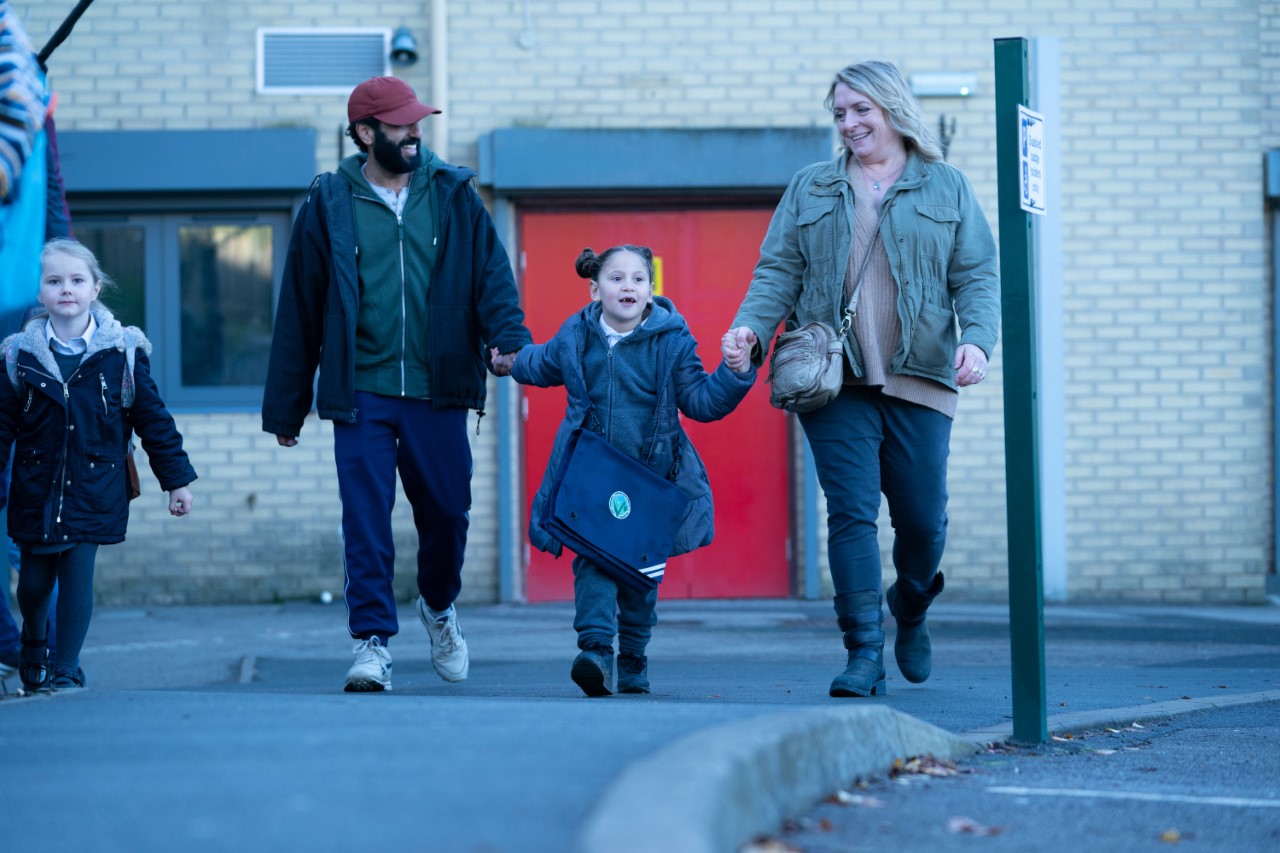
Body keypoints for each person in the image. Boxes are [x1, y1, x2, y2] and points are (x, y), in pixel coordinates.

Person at [726, 60, 999, 698]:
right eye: (840, 113)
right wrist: (750, 331)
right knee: (850, 515)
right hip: (833, 379)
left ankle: (911, 605)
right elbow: (777, 271)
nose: (848, 124)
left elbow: (978, 277)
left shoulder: (946, 186)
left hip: (922, 375)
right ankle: (862, 654)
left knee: (924, 523)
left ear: (893, 109)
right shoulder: (812, 187)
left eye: (860, 111)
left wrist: (979, 343)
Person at [262, 76, 532, 693]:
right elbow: (300, 307)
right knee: (365, 518)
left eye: (417, 121)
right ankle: (372, 643)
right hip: (362, 390)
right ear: (364, 133)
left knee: (447, 515)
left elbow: (492, 277)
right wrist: (286, 407)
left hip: (439, 388)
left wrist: (507, 341)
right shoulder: (330, 202)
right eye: (400, 124)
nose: (415, 131)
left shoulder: (455, 192)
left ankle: (438, 607)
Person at [507, 245, 755, 696]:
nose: (628, 286)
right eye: (616, 278)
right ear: (595, 288)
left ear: (650, 291)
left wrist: (735, 372)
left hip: (649, 477)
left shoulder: (673, 341)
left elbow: (701, 400)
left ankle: (634, 655)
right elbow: (540, 363)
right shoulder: (576, 336)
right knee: (593, 560)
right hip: (592, 474)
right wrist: (508, 361)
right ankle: (596, 652)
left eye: (638, 279)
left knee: (640, 573)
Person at [0, 238, 197, 691]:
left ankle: (65, 667)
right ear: (41, 293)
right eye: (54, 281)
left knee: (76, 577)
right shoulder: (19, 355)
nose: (65, 289)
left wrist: (177, 482)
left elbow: (154, 420)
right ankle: (34, 642)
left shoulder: (122, 352)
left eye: (76, 280)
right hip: (36, 487)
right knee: (31, 584)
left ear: (95, 288)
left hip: (95, 483)